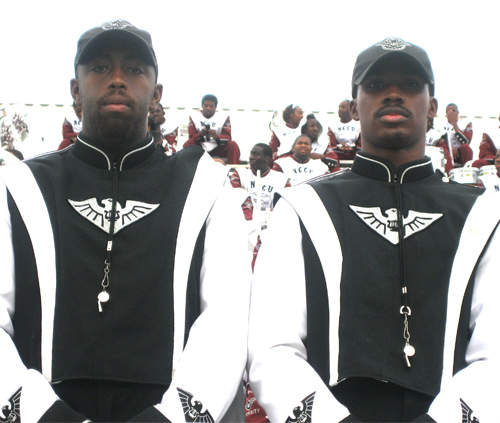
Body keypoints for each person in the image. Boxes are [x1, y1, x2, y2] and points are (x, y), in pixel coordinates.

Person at [0, 20, 250, 422]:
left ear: (157, 93)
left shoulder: (206, 186)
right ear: (75, 90)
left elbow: (226, 321)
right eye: (100, 68)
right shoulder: (20, 186)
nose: (117, 80)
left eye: (134, 69)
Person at [248, 37, 499, 422]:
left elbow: (494, 352)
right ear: (353, 107)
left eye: (410, 85)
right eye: (377, 85)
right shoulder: (303, 207)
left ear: (432, 107)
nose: (393, 94)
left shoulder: (484, 214)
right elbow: (272, 347)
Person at [184, 94, 240, 164]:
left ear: (215, 107)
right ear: (202, 106)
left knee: (233, 145)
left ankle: (233, 167)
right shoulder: (194, 117)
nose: (208, 108)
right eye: (206, 106)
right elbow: (191, 137)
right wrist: (200, 134)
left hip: (217, 147)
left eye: (211, 106)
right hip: (200, 147)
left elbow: (228, 137)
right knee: (186, 145)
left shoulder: (223, 117)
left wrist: (216, 136)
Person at [441, 103, 473, 167]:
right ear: (446, 115)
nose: (451, 113)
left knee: (466, 148)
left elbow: (466, 142)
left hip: (460, 154)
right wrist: (449, 148)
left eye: (453, 111)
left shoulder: (465, 124)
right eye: (449, 111)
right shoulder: (440, 126)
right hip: (446, 152)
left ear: (458, 112)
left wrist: (454, 124)